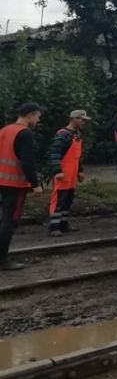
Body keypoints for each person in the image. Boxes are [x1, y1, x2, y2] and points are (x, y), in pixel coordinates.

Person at [0, 102, 45, 270]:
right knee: (10, 222)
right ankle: (2, 260)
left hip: (1, 182)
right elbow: (28, 162)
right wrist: (35, 184)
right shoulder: (25, 133)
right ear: (30, 115)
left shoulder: (4, 131)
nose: (38, 121)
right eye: (38, 117)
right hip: (15, 184)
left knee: (2, 219)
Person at [47, 110, 91, 237]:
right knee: (59, 199)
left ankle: (64, 224)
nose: (84, 123)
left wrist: (80, 170)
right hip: (63, 173)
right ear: (74, 119)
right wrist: (57, 171)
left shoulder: (77, 135)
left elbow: (78, 156)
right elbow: (55, 153)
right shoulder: (63, 135)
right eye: (82, 120)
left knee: (68, 199)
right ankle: (54, 226)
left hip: (72, 174)